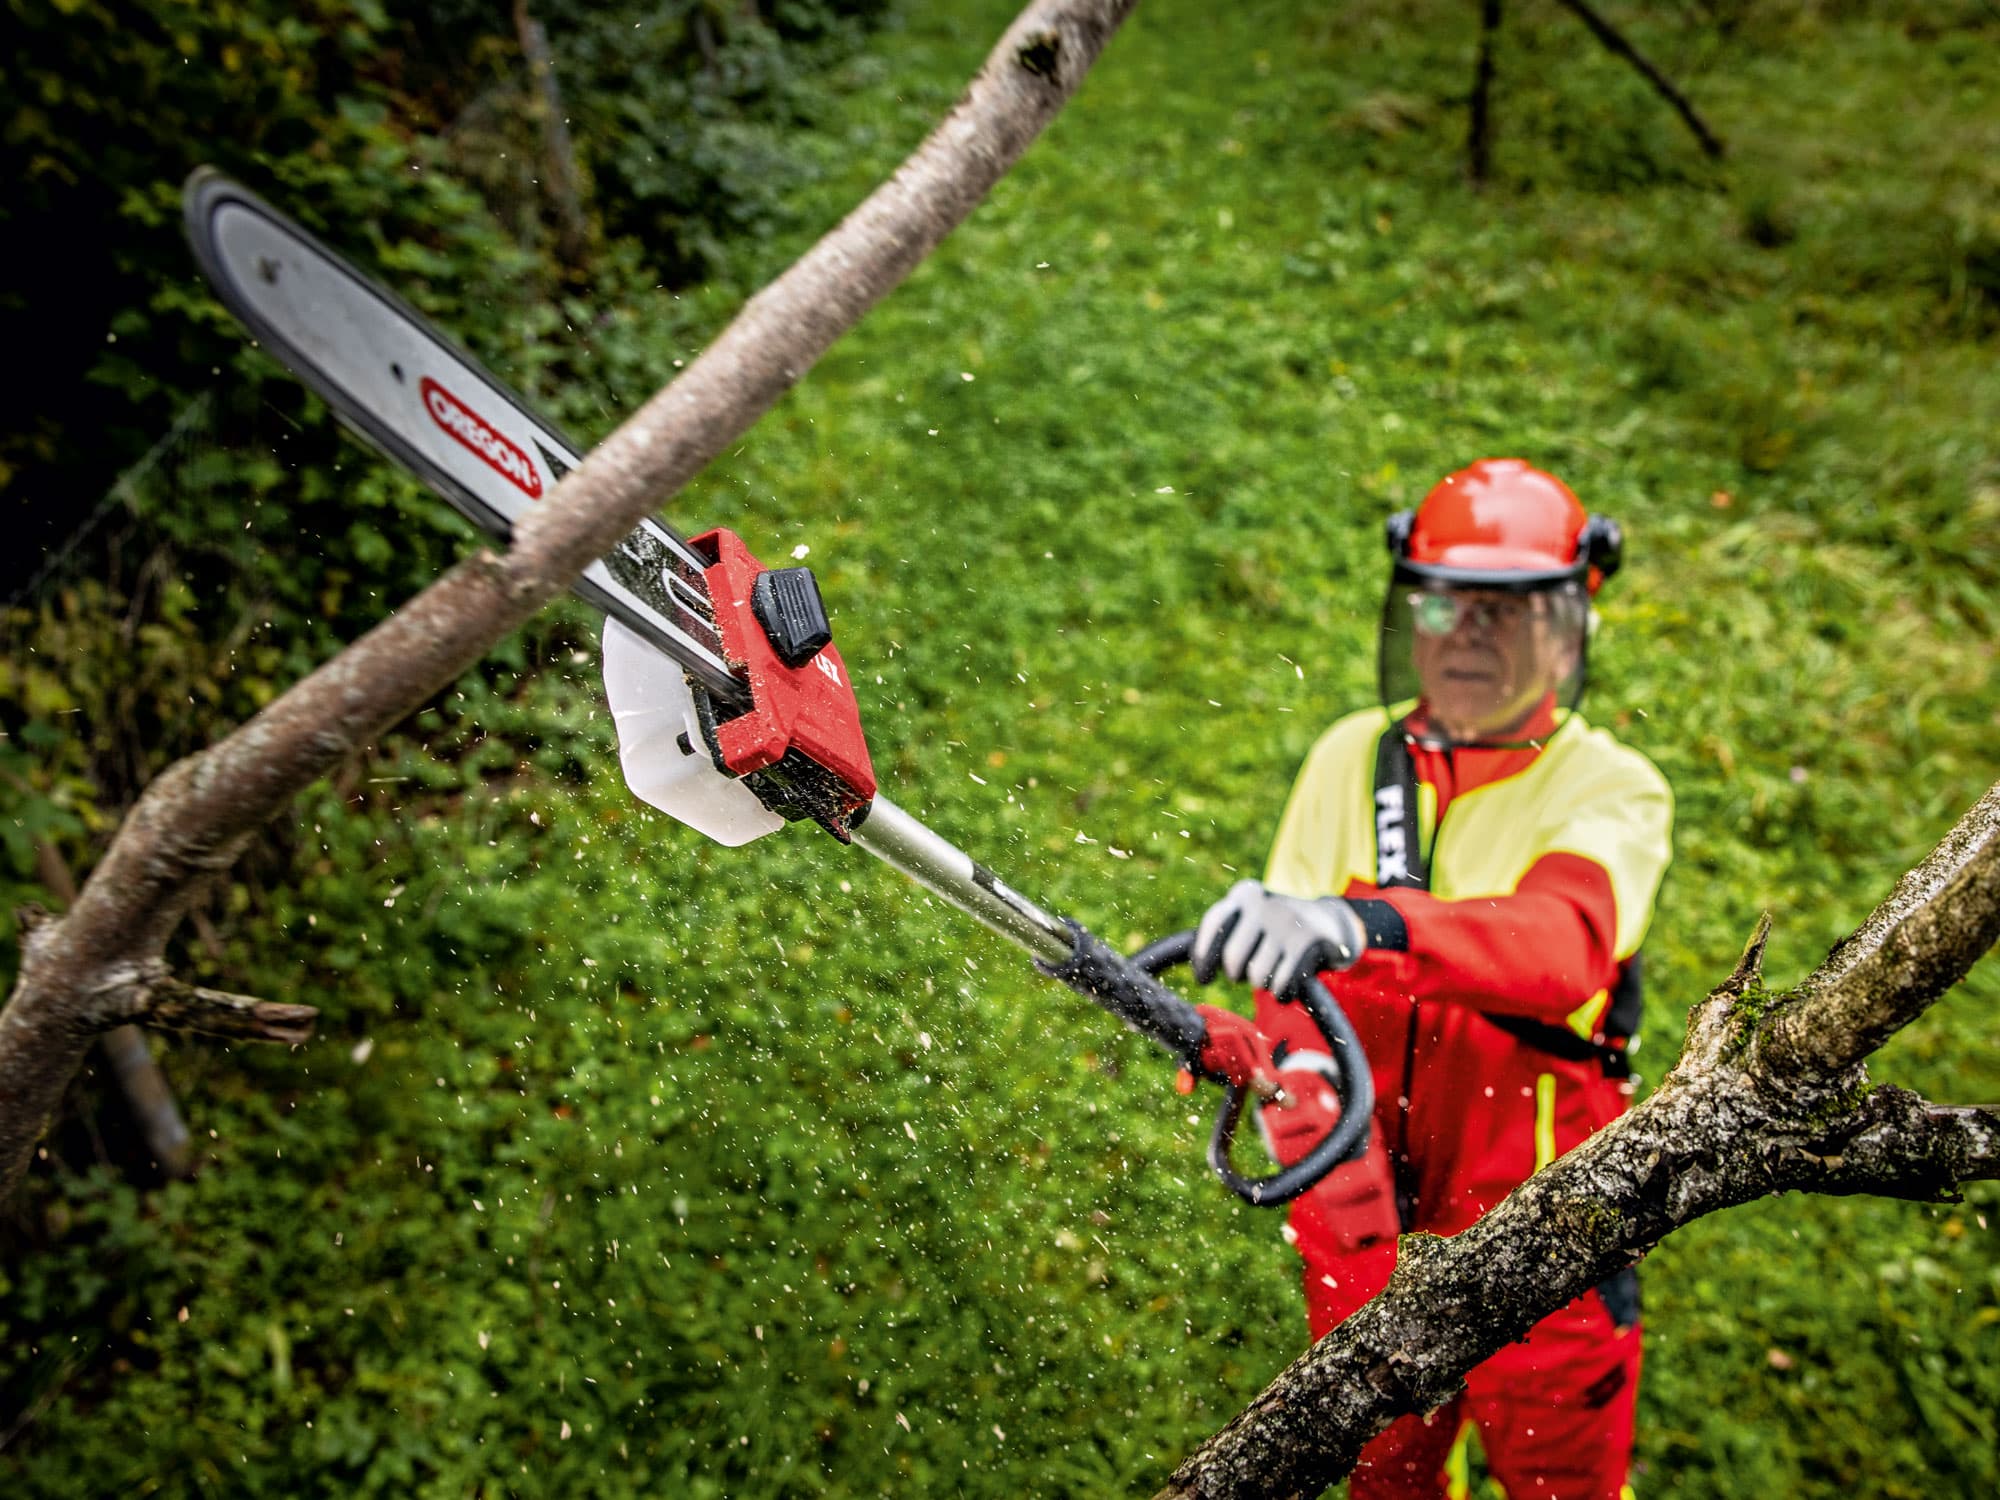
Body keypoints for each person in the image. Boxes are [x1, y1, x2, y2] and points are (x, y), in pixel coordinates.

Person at [1187, 458, 1673, 1500]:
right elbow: (1287, 984)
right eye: (1445, 606)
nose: (1468, 639)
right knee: (1385, 1469)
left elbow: (1563, 945)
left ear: (1570, 628)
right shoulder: (1350, 757)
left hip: (1543, 1224)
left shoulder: (1610, 788)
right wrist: (1286, 1066)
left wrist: (1366, 921)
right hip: (1366, 1206)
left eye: (1510, 612)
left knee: (1561, 1477)